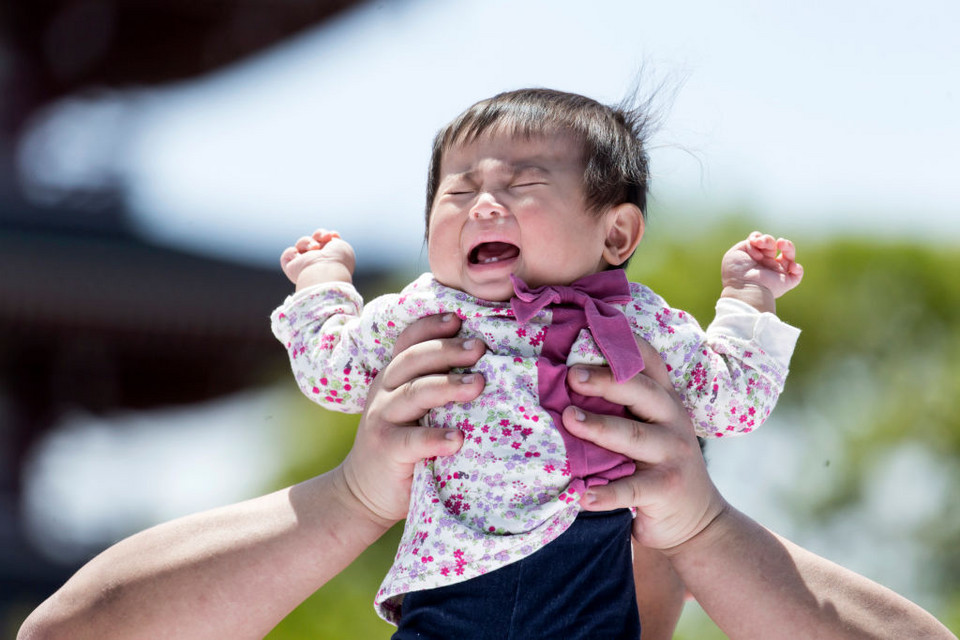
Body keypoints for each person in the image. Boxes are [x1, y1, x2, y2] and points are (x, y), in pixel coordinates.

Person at [17, 315, 956, 640]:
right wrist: (354, 499)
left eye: (596, 468)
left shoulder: (679, 534)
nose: (533, 504)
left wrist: (705, 528)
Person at [270, 88, 803, 633]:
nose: (483, 205)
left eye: (523, 185)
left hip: (587, 570)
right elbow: (332, 376)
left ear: (615, 234)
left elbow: (733, 405)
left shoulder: (639, 324)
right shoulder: (421, 311)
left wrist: (749, 296)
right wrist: (323, 282)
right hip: (450, 579)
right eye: (460, 189)